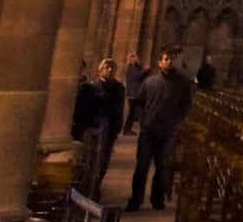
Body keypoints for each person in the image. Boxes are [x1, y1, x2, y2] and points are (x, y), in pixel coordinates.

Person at [127, 48, 194, 211]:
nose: (169, 62)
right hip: (148, 130)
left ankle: (157, 199)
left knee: (162, 167)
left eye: (171, 59)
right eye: (165, 59)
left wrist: (178, 122)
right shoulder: (150, 82)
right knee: (142, 166)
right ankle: (136, 199)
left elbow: (186, 106)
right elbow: (139, 104)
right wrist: (143, 121)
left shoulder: (182, 83)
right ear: (159, 62)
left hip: (168, 130)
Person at [71, 59, 126, 195]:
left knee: (103, 160)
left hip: (109, 128)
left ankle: (96, 186)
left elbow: (119, 109)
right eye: (107, 67)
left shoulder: (118, 88)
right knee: (90, 158)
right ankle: (87, 188)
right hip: (93, 126)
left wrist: (117, 126)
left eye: (112, 67)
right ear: (99, 70)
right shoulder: (91, 87)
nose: (109, 70)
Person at [121, 54, 146, 134]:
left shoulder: (137, 67)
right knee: (132, 112)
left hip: (136, 92)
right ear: (132, 59)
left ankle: (128, 128)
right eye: (136, 58)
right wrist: (145, 70)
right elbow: (137, 76)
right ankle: (126, 129)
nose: (138, 59)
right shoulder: (131, 68)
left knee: (134, 112)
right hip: (133, 93)